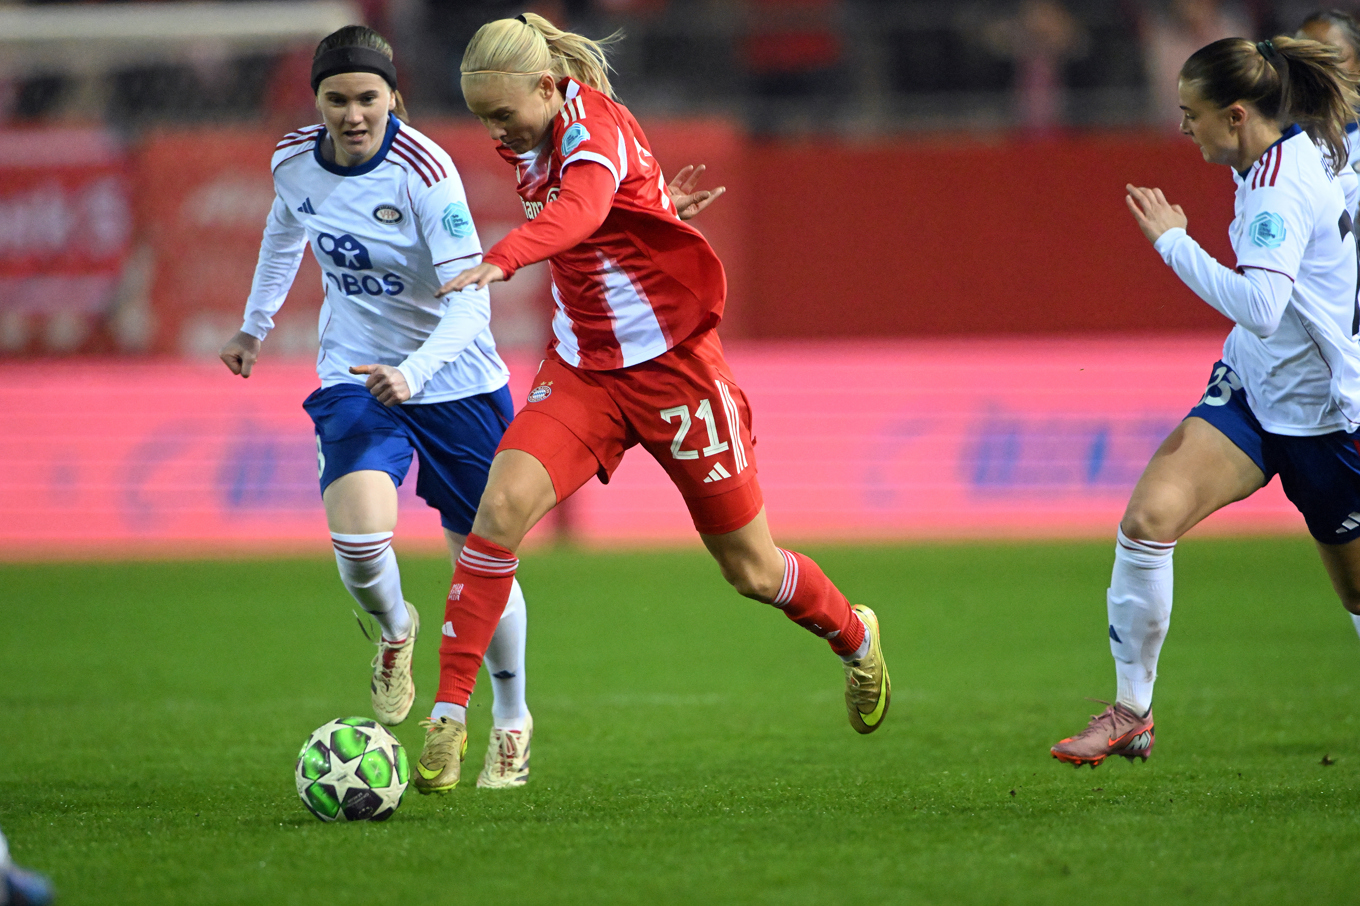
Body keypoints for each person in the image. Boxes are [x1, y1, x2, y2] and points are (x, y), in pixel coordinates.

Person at [409, 12, 891, 794]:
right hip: (584, 373)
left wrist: (504, 258)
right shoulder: (536, 133)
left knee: (751, 569)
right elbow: (613, 208)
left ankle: (854, 637)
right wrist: (659, 206)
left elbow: (582, 208)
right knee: (496, 511)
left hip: (675, 372)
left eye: (502, 114)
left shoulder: (589, 130)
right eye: (483, 118)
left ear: (547, 87)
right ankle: (448, 718)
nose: (496, 132)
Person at [217, 24, 536, 788]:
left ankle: (512, 716)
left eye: (367, 97)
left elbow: (471, 303)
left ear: (393, 97)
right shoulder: (294, 160)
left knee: (480, 556)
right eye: (337, 99)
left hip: (454, 379)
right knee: (359, 543)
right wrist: (254, 325)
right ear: (317, 101)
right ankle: (396, 632)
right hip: (356, 372)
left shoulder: (427, 171)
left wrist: (414, 372)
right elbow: (284, 229)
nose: (353, 113)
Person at [1051, 35, 1360, 767]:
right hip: (1252, 395)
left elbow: (1261, 306)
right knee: (1148, 520)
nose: (1184, 127)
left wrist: (1174, 243)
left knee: (1356, 596)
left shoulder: (1280, 186)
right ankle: (1132, 713)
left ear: (1236, 115)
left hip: (1324, 418)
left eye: (1192, 114)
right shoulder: (1279, 158)